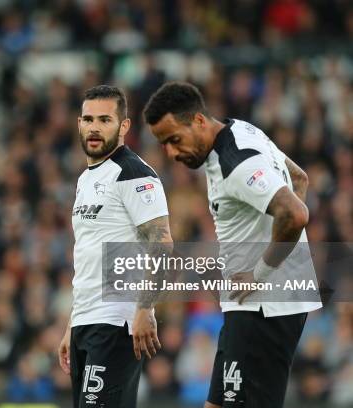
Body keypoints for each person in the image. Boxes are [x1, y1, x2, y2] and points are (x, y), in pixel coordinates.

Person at [143, 81, 323, 408]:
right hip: (248, 306)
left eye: (174, 140)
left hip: (263, 307)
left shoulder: (236, 163)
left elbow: (295, 213)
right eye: (163, 144)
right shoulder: (241, 129)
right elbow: (298, 179)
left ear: (198, 121)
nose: (170, 153)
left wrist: (262, 272)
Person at [58, 85, 173, 407]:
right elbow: (89, 255)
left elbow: (162, 244)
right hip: (86, 321)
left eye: (105, 120)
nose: (94, 127)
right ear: (79, 123)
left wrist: (145, 308)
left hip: (117, 321)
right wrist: (72, 324)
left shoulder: (133, 174)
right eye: (88, 119)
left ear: (123, 126)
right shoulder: (86, 179)